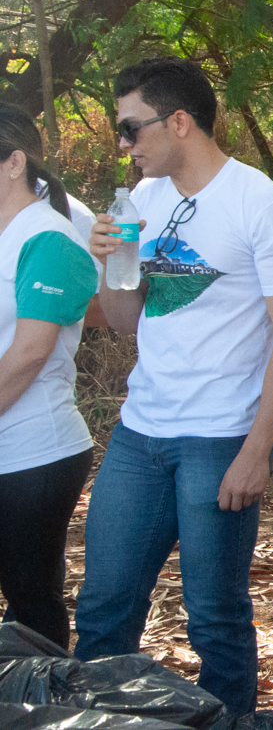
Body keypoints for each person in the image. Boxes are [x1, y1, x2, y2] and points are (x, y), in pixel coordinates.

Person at [75, 57, 273, 717]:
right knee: (104, 605)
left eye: (131, 129)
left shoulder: (265, 206)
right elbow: (127, 322)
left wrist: (256, 449)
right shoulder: (144, 202)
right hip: (141, 431)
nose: (123, 145)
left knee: (214, 615)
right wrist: (110, 264)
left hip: (221, 437)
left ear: (178, 121)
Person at [0, 105, 98, 649]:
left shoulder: (50, 238)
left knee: (30, 600)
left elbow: (29, 353)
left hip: (32, 455)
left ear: (15, 163)